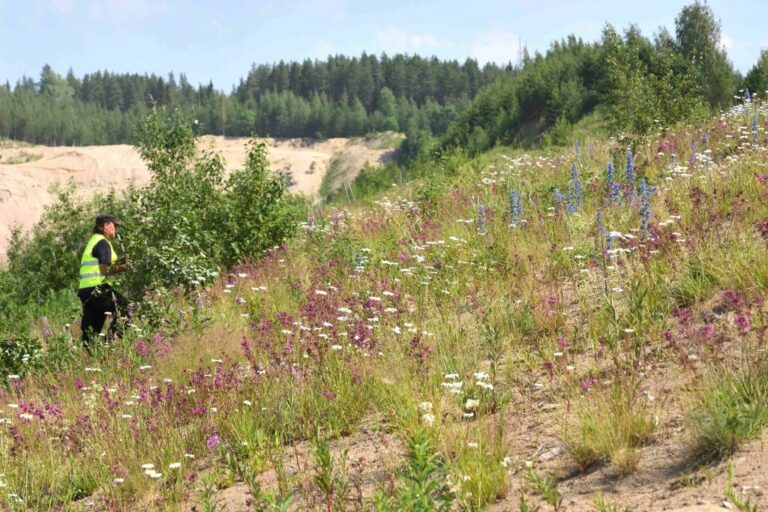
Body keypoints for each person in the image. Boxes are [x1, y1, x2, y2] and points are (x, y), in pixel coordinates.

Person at [78, 214, 130, 352]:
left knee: (91, 331)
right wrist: (123, 267)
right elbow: (104, 270)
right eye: (114, 225)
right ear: (105, 226)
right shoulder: (103, 242)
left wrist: (119, 264)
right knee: (126, 309)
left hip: (86, 290)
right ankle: (110, 343)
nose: (115, 229)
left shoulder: (94, 240)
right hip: (98, 288)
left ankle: (92, 355)